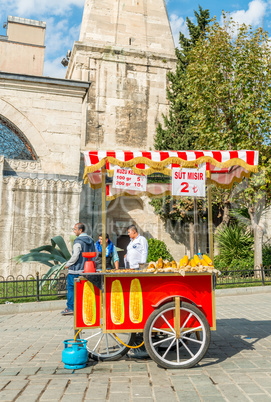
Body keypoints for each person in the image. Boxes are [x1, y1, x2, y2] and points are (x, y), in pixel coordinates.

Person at [61, 222, 96, 315]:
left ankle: (71, 307)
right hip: (88, 269)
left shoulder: (78, 241)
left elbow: (75, 255)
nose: (74, 231)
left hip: (76, 270)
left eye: (75, 229)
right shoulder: (91, 240)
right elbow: (95, 253)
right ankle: (86, 307)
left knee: (71, 288)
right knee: (85, 289)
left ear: (80, 230)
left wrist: (68, 264)